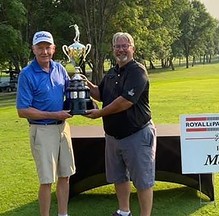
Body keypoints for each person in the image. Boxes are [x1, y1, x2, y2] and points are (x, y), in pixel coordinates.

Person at [84, 32, 157, 216]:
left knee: (142, 180)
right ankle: (124, 211)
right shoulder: (112, 71)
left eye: (125, 45)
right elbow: (101, 94)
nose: (121, 49)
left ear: (133, 48)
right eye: (117, 46)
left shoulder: (137, 71)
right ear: (113, 49)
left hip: (137, 135)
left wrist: (100, 113)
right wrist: (83, 83)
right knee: (119, 177)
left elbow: (125, 101)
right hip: (113, 137)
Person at [16, 31, 75, 216]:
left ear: (54, 49)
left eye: (47, 47)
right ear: (33, 49)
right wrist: (54, 113)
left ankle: (63, 214)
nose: (44, 52)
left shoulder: (60, 69)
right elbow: (22, 110)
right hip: (42, 130)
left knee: (65, 176)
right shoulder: (26, 74)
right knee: (47, 180)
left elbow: (71, 93)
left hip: (63, 128)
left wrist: (86, 103)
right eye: (40, 48)